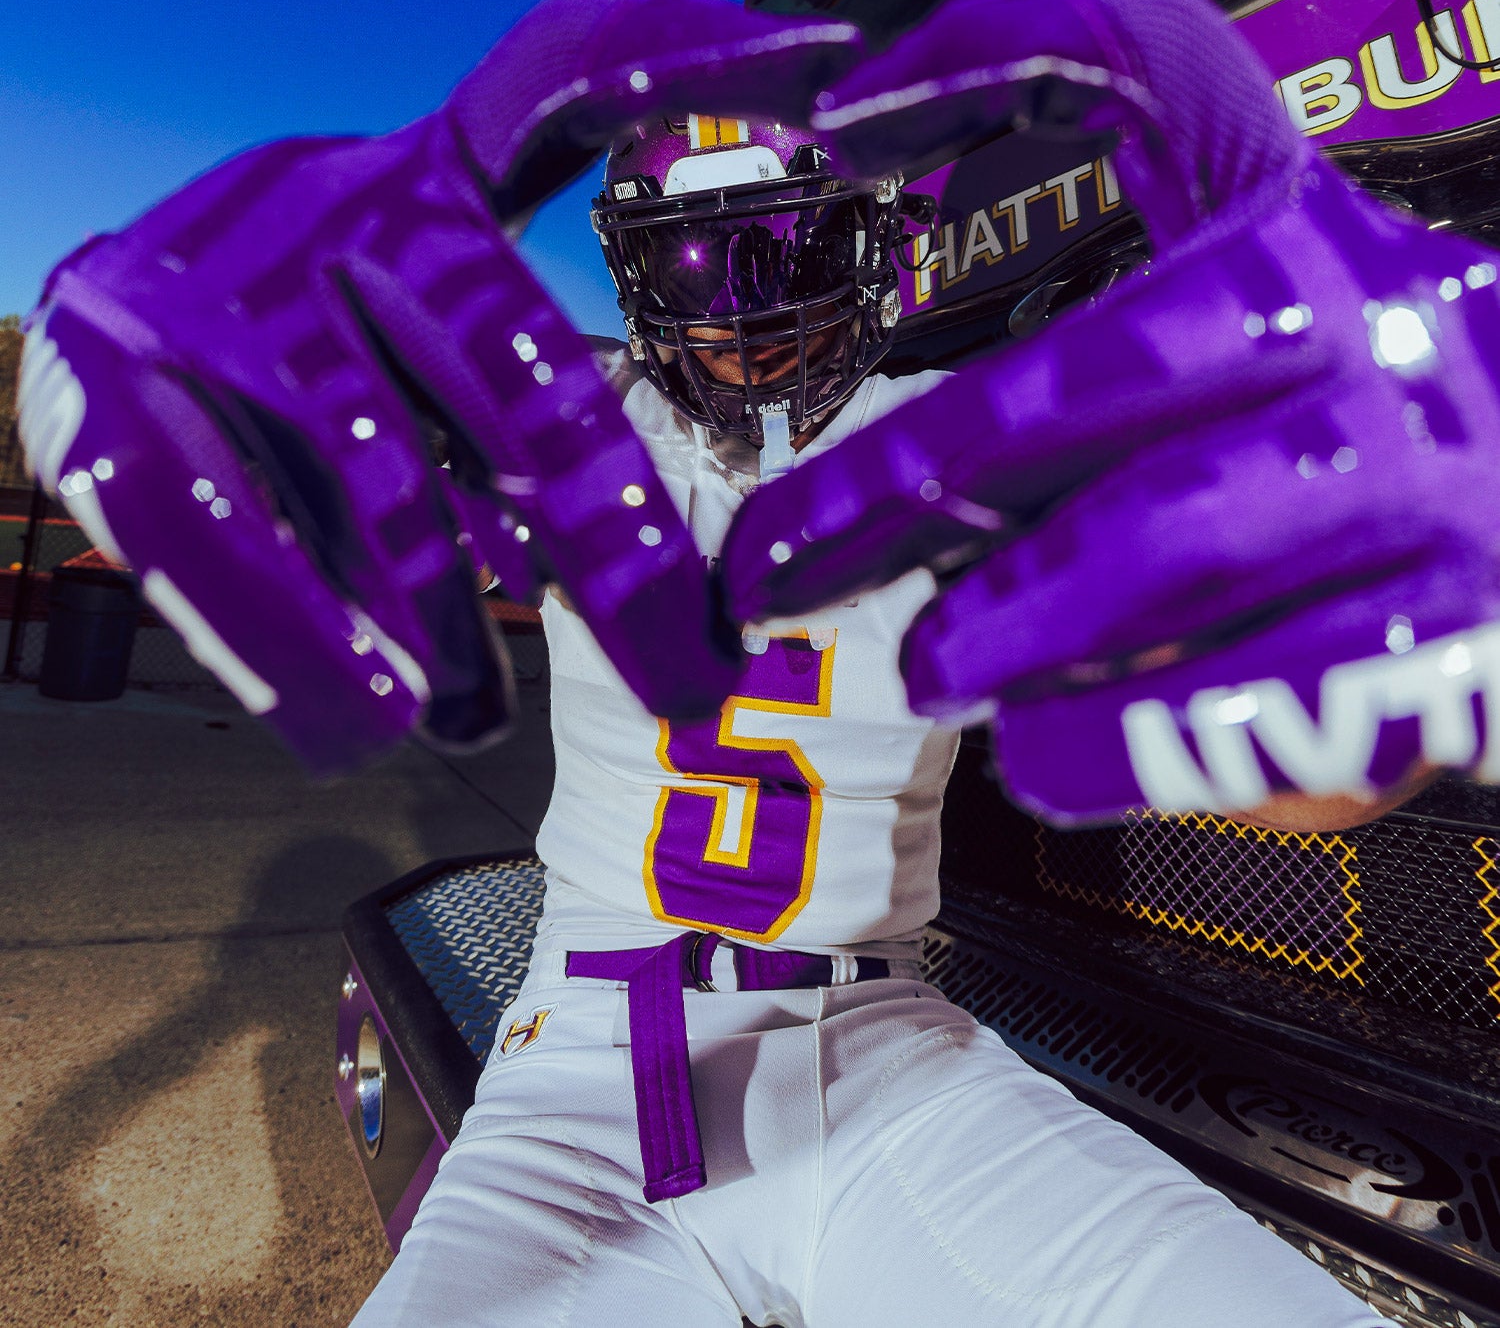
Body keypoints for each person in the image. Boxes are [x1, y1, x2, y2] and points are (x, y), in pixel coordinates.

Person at [349, 110, 1399, 1327]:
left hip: (883, 1053)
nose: (746, 312)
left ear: (869, 245)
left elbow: (1320, 785)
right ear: (638, 276)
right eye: (696, 265)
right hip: (584, 1063)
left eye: (786, 253)